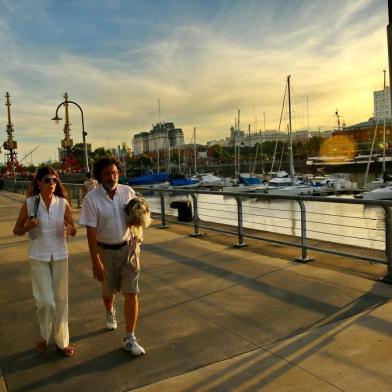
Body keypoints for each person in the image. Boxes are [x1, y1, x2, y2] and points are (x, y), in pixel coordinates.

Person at [79, 157, 145, 356]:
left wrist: (137, 232)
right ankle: (109, 310)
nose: (112, 176)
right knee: (108, 292)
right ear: (100, 176)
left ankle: (130, 337)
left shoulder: (128, 192)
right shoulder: (91, 199)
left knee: (131, 292)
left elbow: (135, 218)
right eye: (107, 173)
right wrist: (95, 261)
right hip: (105, 251)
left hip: (129, 249)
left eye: (115, 172)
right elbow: (90, 232)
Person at [13, 165, 77, 357]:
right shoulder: (30, 204)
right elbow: (16, 230)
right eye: (47, 180)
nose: (51, 184)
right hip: (38, 255)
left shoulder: (62, 203)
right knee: (45, 301)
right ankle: (44, 335)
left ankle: (62, 341)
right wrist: (27, 227)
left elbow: (73, 228)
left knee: (61, 300)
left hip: (59, 254)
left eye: (54, 180)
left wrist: (69, 231)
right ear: (39, 182)